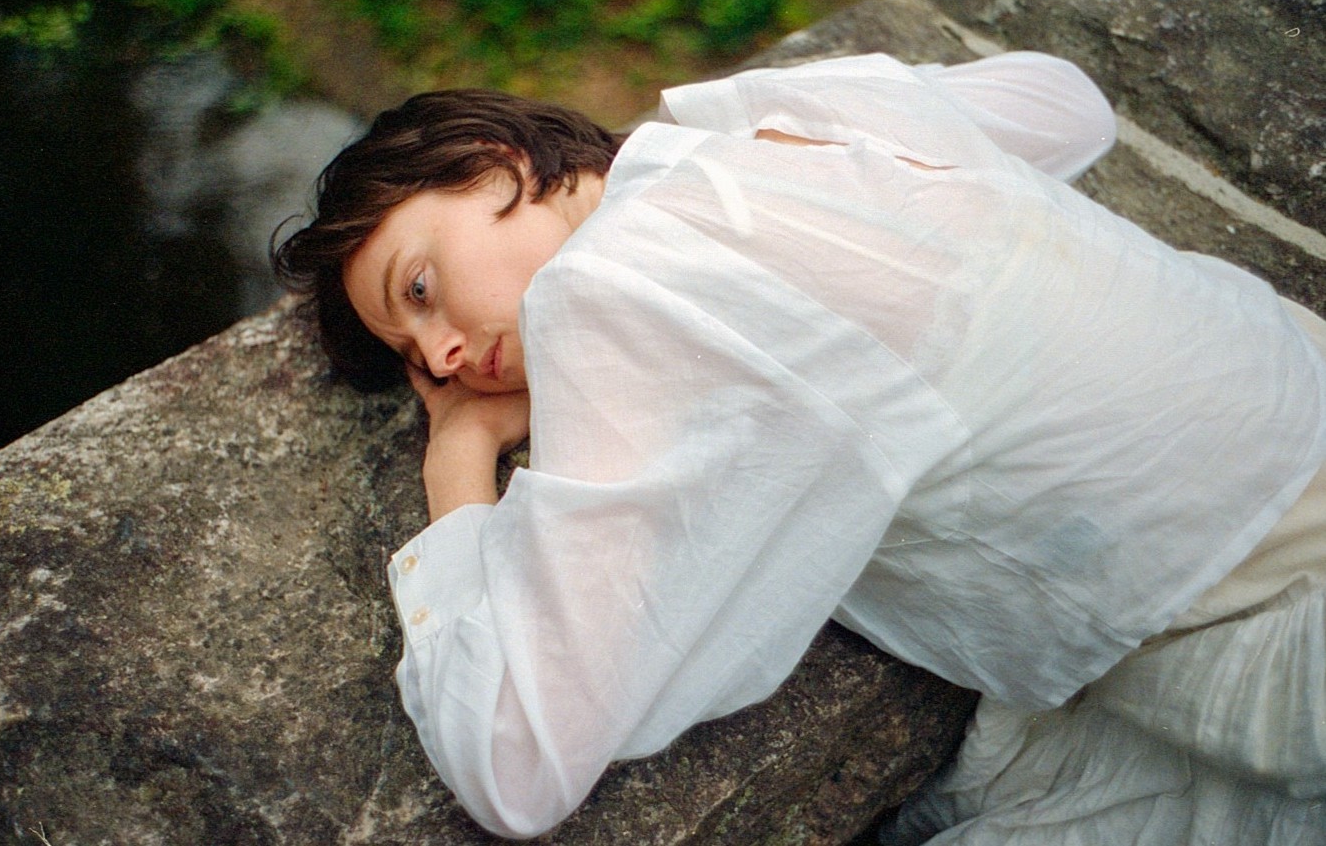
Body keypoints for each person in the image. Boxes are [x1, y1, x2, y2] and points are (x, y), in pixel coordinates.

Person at [273, 51, 1326, 842]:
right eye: (416, 356)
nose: (444, 356)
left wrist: (454, 460)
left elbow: (516, 761)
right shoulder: (753, 130)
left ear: (496, 162)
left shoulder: (608, 294)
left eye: (421, 288)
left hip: (1274, 618)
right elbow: (1066, 104)